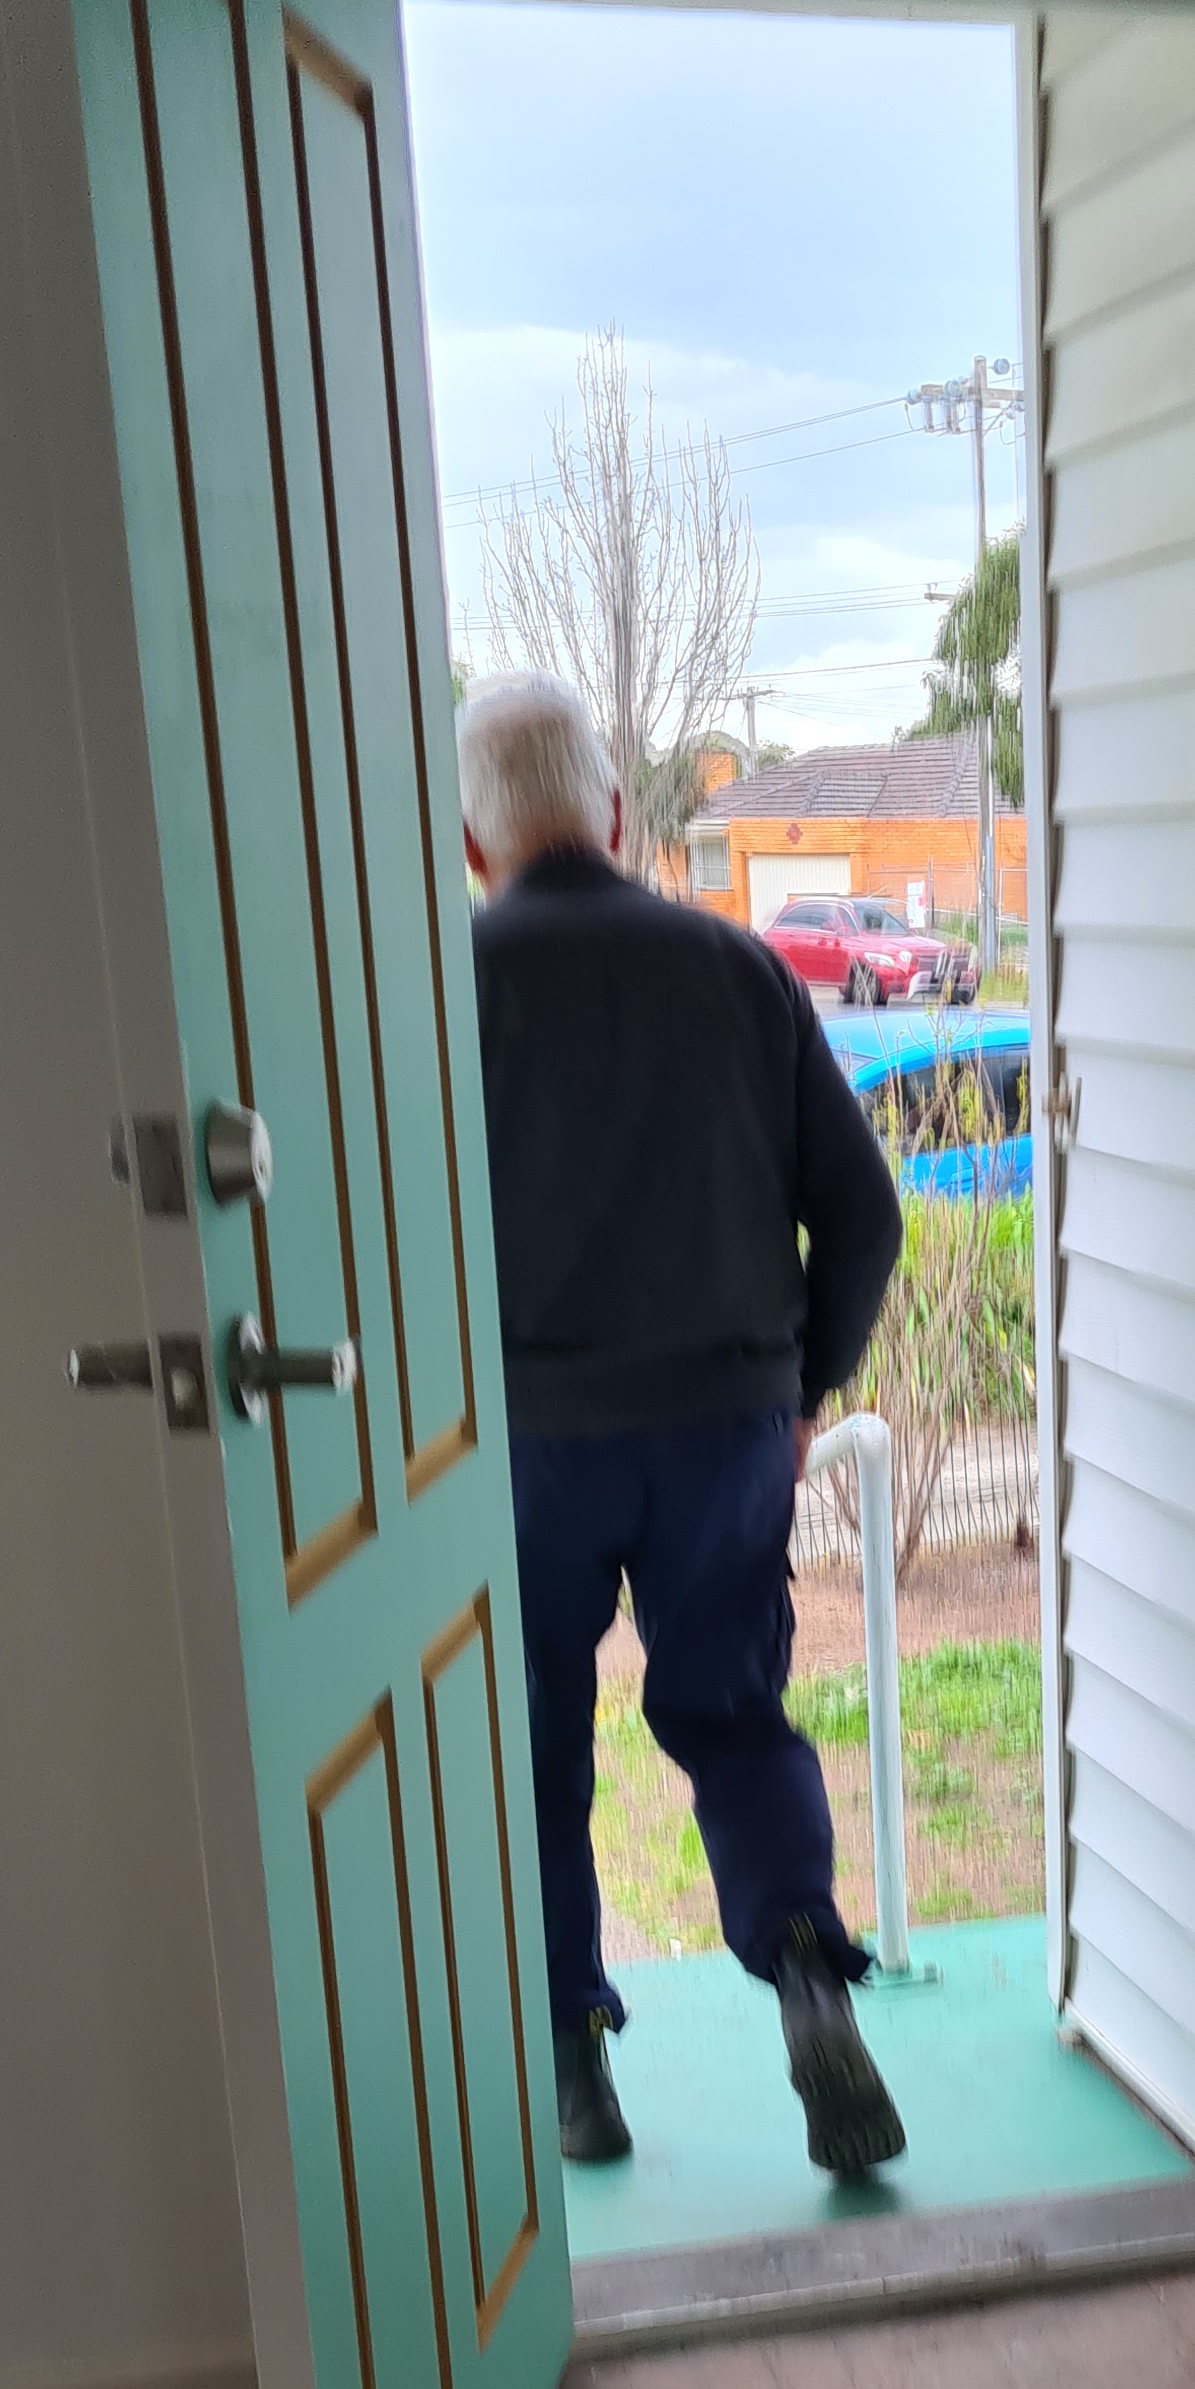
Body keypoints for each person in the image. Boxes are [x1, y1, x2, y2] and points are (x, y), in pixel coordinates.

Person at [458, 672, 908, 2177]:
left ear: (473, 844)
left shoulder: (440, 994)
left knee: (530, 1734)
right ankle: (806, 1977)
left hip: (528, 1448)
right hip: (725, 1429)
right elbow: (864, 1216)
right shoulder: (742, 972)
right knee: (730, 1711)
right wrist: (805, 1393)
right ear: (615, 812)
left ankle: (574, 2065)